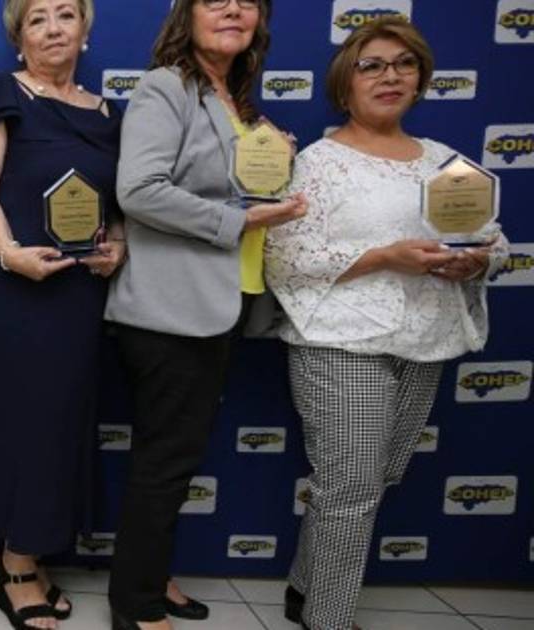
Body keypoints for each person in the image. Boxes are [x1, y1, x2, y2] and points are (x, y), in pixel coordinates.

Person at [264, 17, 508, 630]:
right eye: (371, 65)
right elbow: (285, 259)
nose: (389, 76)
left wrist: (478, 261)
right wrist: (384, 257)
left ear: (421, 80)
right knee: (350, 486)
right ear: (345, 85)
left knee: (378, 477)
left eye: (403, 64)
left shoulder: (446, 162)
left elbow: (493, 240)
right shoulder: (318, 164)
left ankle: (303, 588)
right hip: (341, 343)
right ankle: (327, 619)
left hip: (426, 339)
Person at [104, 1, 308, 629]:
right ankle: (135, 604)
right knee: (165, 461)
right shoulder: (165, 87)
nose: (233, 8)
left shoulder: (236, 102)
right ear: (185, 17)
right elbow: (139, 190)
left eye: (247, 1)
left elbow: (229, 188)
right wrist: (239, 218)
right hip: (169, 307)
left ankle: (149, 576)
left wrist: (275, 168)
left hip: (221, 302)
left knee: (178, 457)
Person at [0, 1, 125, 629]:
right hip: (18, 289)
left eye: (66, 15)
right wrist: (7, 251)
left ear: (85, 30)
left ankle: (34, 550)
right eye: (38, 18)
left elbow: (116, 200)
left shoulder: (107, 112)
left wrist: (118, 245)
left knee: (61, 422)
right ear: (19, 37)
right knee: (22, 420)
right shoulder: (3, 94)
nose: (54, 28)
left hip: (79, 295)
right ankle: (15, 563)